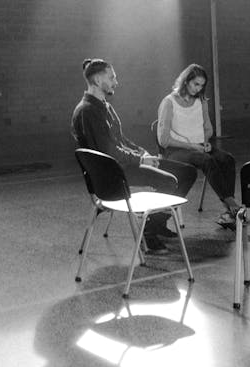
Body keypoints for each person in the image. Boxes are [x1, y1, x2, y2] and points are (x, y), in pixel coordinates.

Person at [71, 58, 198, 252]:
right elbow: (109, 152)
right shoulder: (87, 112)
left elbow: (120, 140)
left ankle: (157, 223)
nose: (116, 81)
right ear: (97, 80)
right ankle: (148, 232)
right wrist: (140, 160)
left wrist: (142, 153)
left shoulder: (104, 106)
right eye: (111, 77)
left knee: (188, 173)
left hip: (125, 164)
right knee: (170, 181)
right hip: (114, 175)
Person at [157, 63, 240, 229]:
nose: (198, 88)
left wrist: (206, 142)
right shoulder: (169, 102)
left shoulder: (201, 101)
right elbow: (163, 140)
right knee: (207, 161)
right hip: (176, 151)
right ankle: (231, 205)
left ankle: (229, 210)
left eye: (202, 85)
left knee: (227, 159)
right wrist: (192, 146)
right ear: (186, 81)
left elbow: (208, 129)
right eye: (196, 84)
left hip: (199, 147)